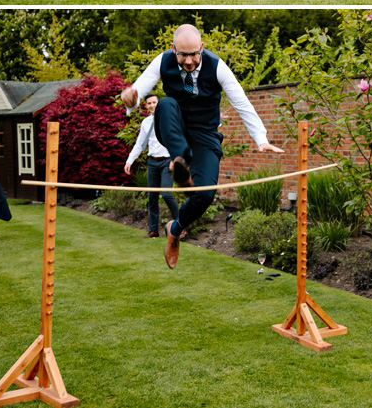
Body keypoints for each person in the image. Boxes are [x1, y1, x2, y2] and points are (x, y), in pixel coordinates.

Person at [121, 24, 283, 269]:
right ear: (173, 49)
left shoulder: (217, 66)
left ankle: (174, 230)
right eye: (183, 55)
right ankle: (181, 162)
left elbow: (242, 103)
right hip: (174, 129)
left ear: (202, 48)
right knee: (165, 104)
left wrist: (261, 138)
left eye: (194, 54)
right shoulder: (163, 60)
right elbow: (139, 88)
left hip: (205, 133)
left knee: (205, 194)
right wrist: (131, 99)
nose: (188, 61)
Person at [123, 94, 180, 238]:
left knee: (167, 194)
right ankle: (153, 230)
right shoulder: (146, 122)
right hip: (152, 162)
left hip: (167, 161)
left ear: (159, 104)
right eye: (149, 103)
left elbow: (178, 141)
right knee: (152, 197)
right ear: (146, 106)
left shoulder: (170, 119)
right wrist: (129, 161)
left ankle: (181, 225)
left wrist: (175, 159)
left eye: (154, 102)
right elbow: (139, 144)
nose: (152, 105)